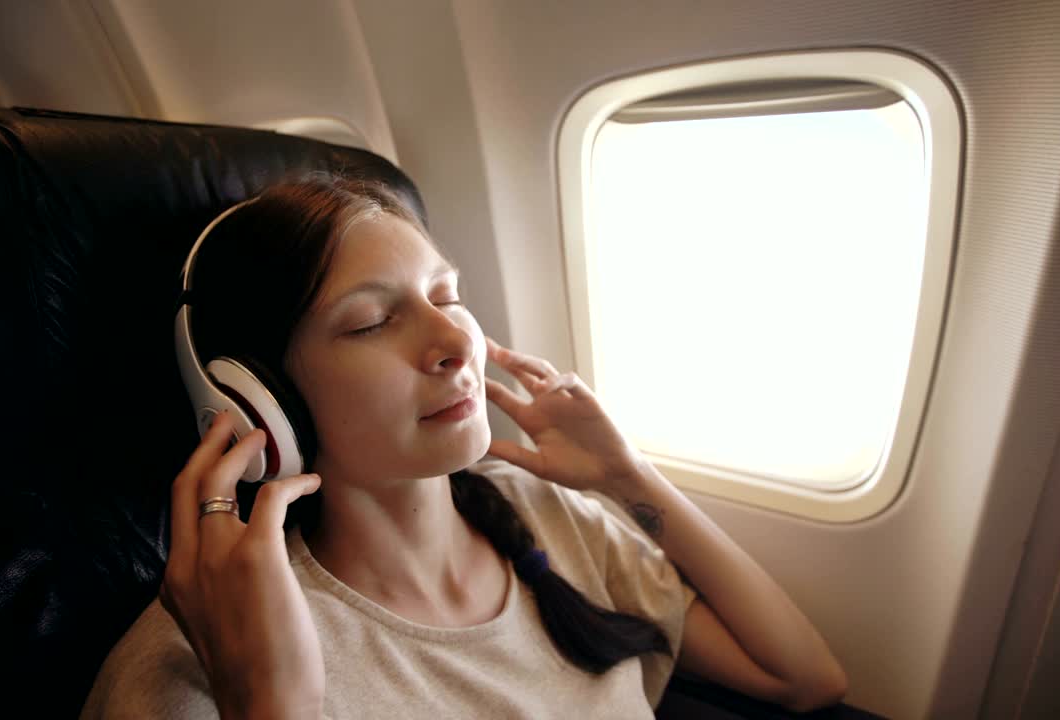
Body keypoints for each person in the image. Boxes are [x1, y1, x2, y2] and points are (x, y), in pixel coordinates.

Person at [80, 173, 847, 719]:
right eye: (373, 320)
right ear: (262, 400)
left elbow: (803, 678)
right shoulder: (200, 662)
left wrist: (627, 475)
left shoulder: (551, 520)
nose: (456, 339)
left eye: (446, 297)